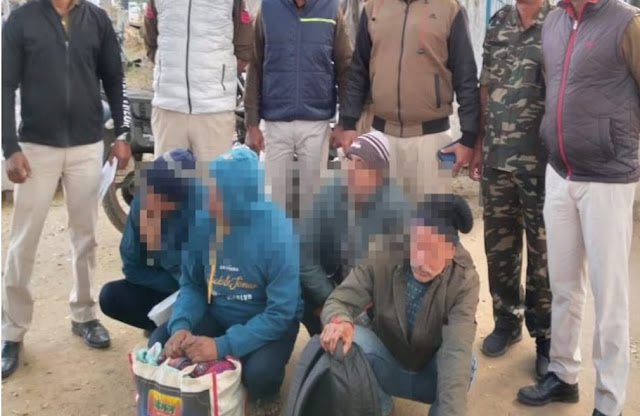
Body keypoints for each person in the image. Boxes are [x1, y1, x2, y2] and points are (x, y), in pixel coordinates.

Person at [517, 1, 640, 415]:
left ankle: (609, 401)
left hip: (607, 178)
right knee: (564, 284)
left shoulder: (626, 22)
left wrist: (618, 139)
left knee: (610, 295)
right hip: (559, 173)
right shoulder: (554, 20)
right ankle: (563, 373)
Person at [1, 0, 131, 380]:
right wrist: (10, 147)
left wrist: (122, 133)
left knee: (85, 234)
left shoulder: (97, 19)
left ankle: (84, 314)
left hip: (87, 146)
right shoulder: (21, 20)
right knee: (23, 240)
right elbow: (4, 85)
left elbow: (115, 78)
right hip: (36, 147)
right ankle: (11, 331)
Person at [148, 145, 302, 416]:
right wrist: (181, 325)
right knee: (160, 343)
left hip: (268, 323)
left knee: (260, 376)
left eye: (217, 192)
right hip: (220, 313)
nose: (208, 199)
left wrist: (221, 346)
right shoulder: (203, 224)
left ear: (239, 195)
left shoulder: (278, 234)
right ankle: (221, 368)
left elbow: (280, 314)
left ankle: (264, 393)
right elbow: (193, 285)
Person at [319, 194, 478, 416]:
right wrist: (340, 321)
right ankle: (379, 407)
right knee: (345, 340)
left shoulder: (464, 279)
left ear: (451, 251)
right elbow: (339, 301)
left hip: (430, 371)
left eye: (432, 251)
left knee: (465, 364)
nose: (420, 260)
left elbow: (456, 350)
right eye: (417, 245)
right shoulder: (382, 253)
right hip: (387, 358)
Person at [468, 0, 553, 379]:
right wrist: (478, 143)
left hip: (541, 161)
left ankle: (546, 335)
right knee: (500, 247)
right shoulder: (499, 21)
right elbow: (485, 87)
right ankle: (507, 320)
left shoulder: (557, 23)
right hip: (498, 158)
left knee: (543, 253)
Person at [338, 0, 479, 200]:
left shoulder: (449, 9)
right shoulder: (373, 8)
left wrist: (468, 138)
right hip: (381, 136)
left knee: (430, 215)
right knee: (381, 213)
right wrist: (349, 123)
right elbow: (358, 70)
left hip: (431, 138)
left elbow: (466, 76)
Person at [244, 0, 352, 219]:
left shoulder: (331, 9)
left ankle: (310, 242)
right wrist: (251, 122)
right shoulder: (268, 8)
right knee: (271, 201)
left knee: (313, 204)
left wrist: (345, 122)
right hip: (275, 123)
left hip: (316, 123)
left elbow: (345, 67)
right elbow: (255, 65)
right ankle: (274, 241)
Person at [299, 131, 409, 335]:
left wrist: (358, 305)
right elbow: (304, 256)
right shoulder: (326, 194)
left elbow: (399, 273)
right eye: (349, 160)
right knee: (291, 282)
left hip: (369, 296)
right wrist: (331, 302)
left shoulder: (397, 207)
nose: (351, 169)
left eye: (361, 164)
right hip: (328, 286)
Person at [99, 149, 197, 333]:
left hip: (204, 293)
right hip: (173, 287)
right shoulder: (142, 206)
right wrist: (176, 285)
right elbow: (132, 268)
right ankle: (162, 325)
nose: (148, 200)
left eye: (157, 196)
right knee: (110, 296)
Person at [143, 0, 254, 161]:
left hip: (214, 110)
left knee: (212, 176)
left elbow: (244, 48)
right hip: (169, 107)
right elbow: (151, 41)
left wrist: (217, 77)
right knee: (168, 176)